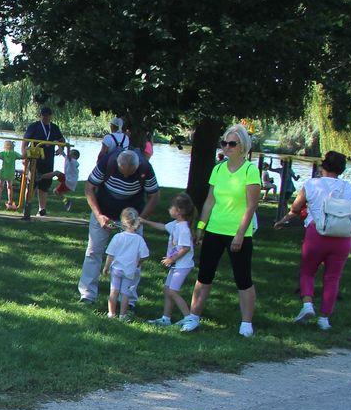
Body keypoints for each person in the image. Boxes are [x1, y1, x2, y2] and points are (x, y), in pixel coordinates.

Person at [182, 124, 262, 337]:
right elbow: (210, 201)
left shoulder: (250, 171)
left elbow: (251, 206)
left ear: (242, 146)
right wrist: (201, 226)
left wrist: (240, 234)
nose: (227, 147)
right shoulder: (218, 169)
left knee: (243, 278)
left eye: (232, 144)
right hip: (215, 229)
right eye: (224, 143)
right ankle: (193, 317)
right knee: (204, 275)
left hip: (238, 232)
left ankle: (246, 323)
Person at [275, 150, 351, 331]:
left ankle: (307, 304)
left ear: (323, 166)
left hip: (317, 234)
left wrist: (283, 221)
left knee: (308, 271)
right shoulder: (348, 188)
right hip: (342, 237)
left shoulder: (312, 184)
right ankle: (324, 318)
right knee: (333, 277)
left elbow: (296, 208)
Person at [79, 148, 160, 305]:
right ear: (118, 164)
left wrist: (140, 219)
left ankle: (129, 300)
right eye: (123, 173)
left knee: (134, 257)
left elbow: (154, 196)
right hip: (103, 211)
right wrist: (98, 216)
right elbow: (89, 187)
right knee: (93, 251)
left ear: (137, 167)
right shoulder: (107, 162)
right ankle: (87, 294)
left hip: (132, 218)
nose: (126, 176)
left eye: (130, 173)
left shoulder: (145, 168)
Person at [143, 193, 197, 326]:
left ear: (179, 211)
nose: (169, 209)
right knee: (168, 290)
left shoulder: (183, 229)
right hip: (176, 265)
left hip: (182, 265)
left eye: (171, 207)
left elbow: (186, 248)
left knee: (172, 291)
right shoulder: (175, 224)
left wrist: (171, 259)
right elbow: (163, 226)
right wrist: (145, 221)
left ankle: (189, 318)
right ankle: (165, 319)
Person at [104, 207, 150, 319]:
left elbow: (110, 254)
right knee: (125, 293)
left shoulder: (118, 237)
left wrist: (106, 267)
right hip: (129, 270)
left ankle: (111, 313)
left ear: (122, 222)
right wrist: (138, 263)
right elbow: (145, 255)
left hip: (116, 269)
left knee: (114, 291)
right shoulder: (139, 239)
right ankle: (123, 315)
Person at [23, 106, 65, 215]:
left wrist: (61, 148)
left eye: (48, 115)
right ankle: (26, 207)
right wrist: (24, 156)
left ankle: (42, 210)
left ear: (51, 116)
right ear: (40, 115)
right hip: (34, 159)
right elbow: (25, 142)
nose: (46, 117)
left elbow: (61, 140)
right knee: (31, 183)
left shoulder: (54, 127)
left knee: (45, 185)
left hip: (48, 160)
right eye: (44, 115)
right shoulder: (34, 126)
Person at [0, 139, 22, 208]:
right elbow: (22, 157)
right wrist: (27, 150)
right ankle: (10, 203)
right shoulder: (14, 153)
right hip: (11, 173)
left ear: (4, 146)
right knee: (9, 187)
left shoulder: (4, 153)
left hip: (3, 172)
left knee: (0, 188)